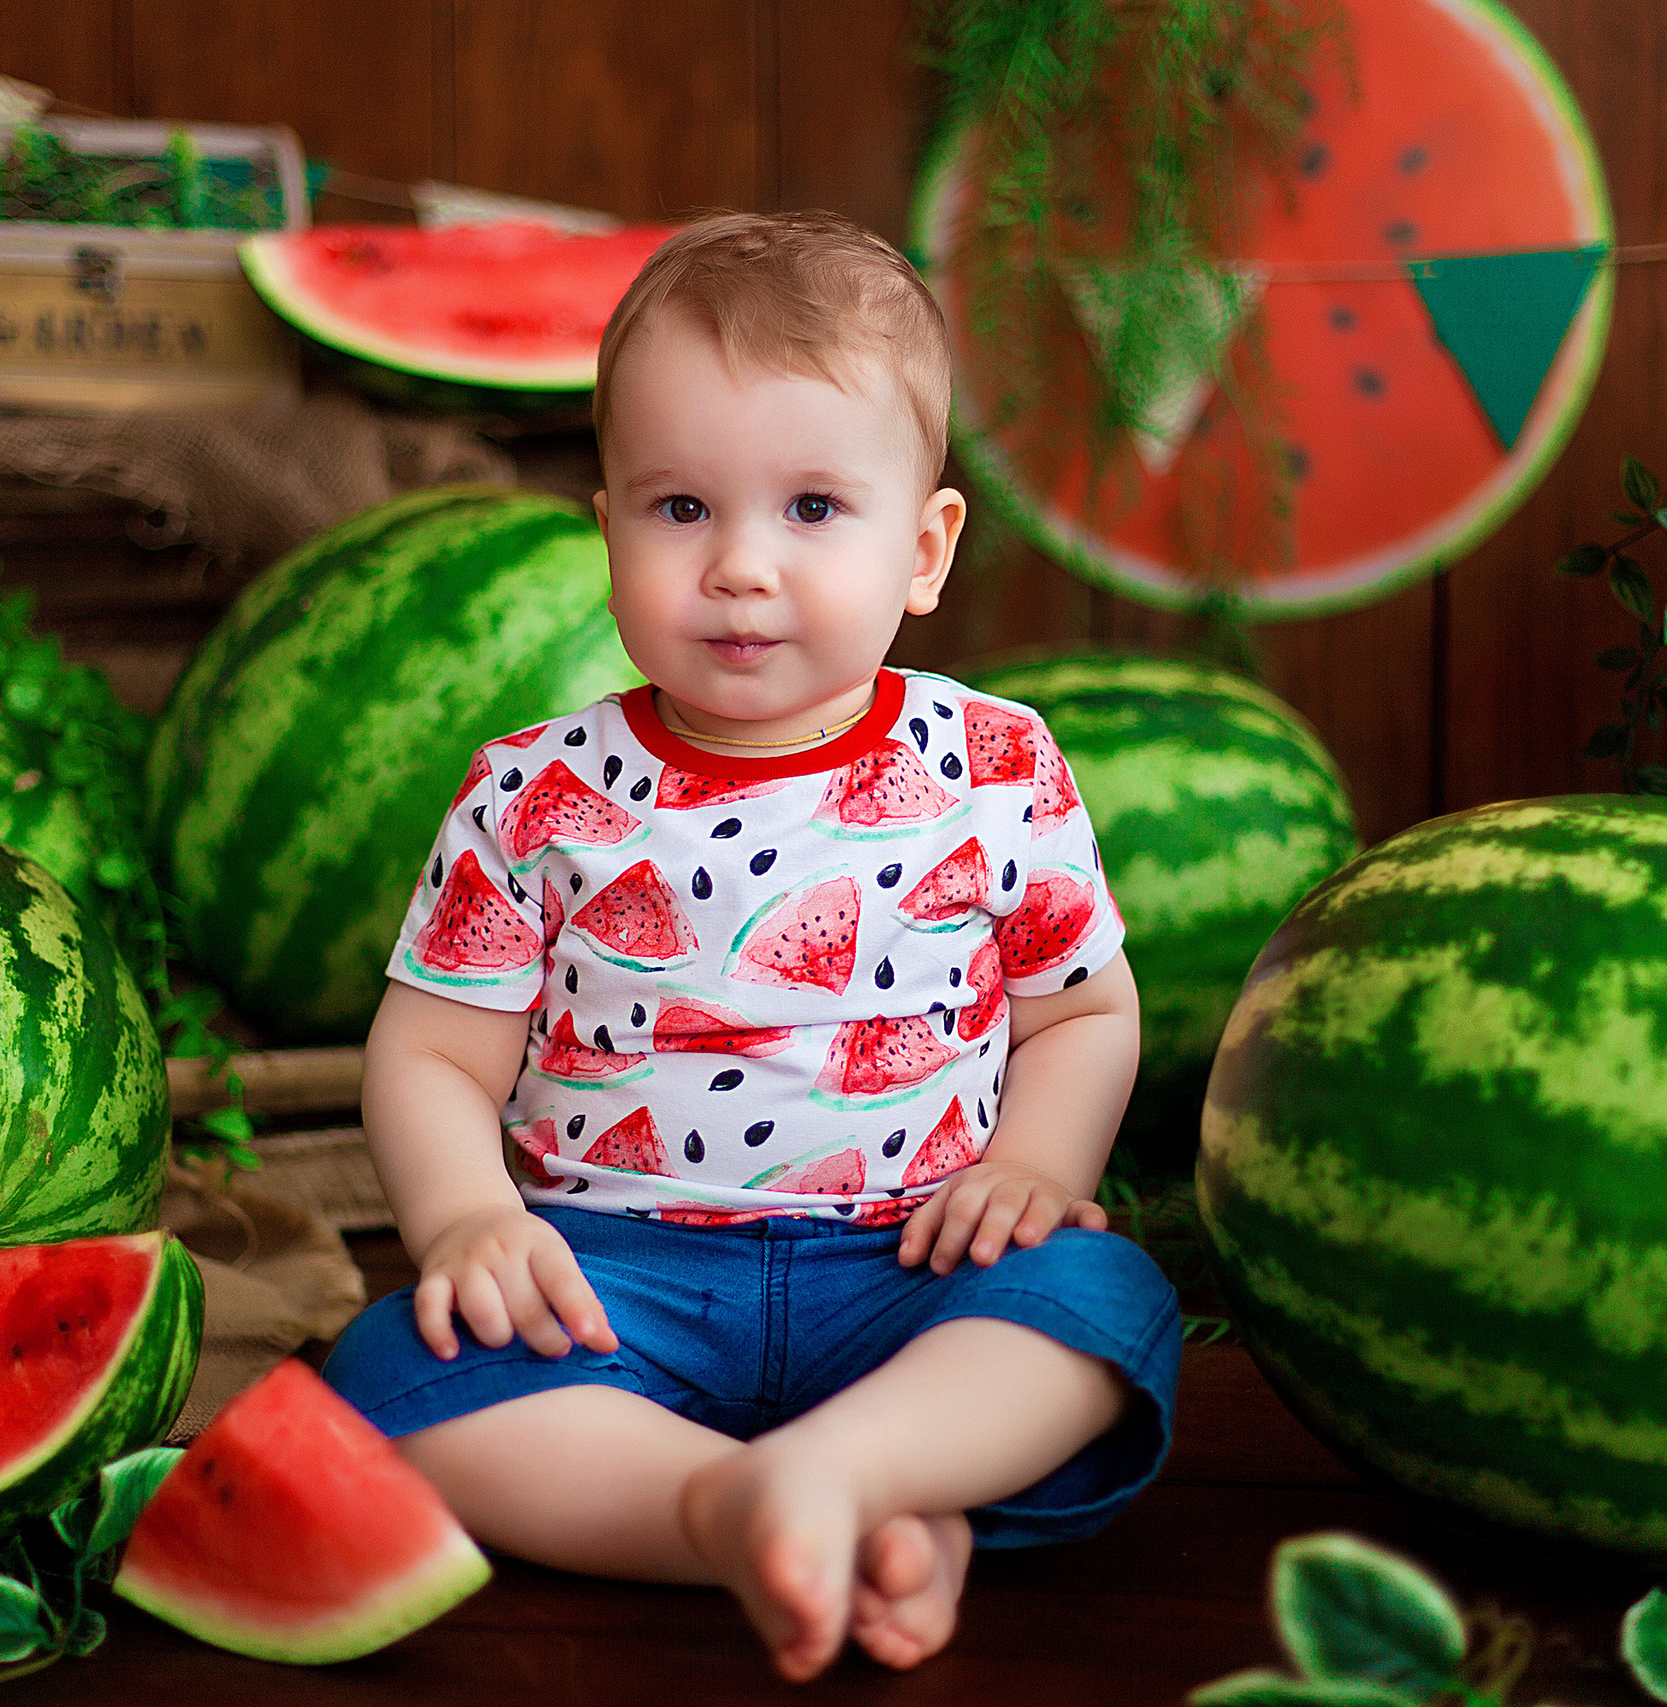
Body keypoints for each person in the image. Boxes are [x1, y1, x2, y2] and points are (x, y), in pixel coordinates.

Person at [324, 209, 1179, 1681]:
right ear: (607, 530)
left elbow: (1084, 1014)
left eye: (811, 510)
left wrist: (1035, 1171)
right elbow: (430, 1052)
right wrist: (468, 1220)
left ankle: (843, 1473)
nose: (738, 567)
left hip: (910, 1267)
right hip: (615, 1278)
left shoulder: (998, 764)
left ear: (925, 549)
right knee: (391, 1371)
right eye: (679, 511)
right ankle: (758, 1508)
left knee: (1109, 1308)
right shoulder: (535, 794)